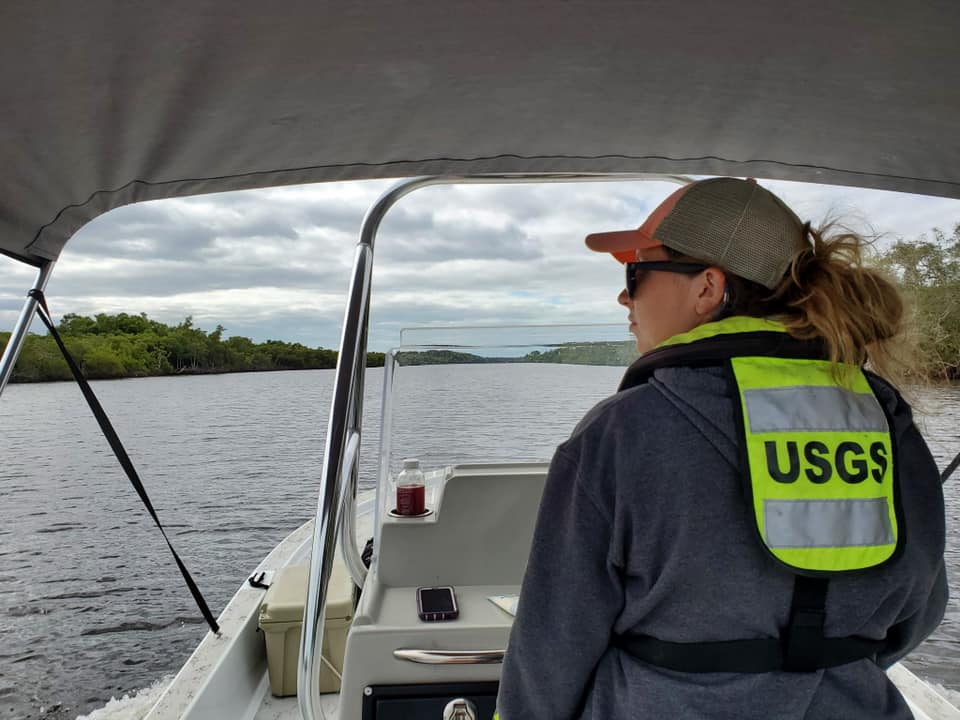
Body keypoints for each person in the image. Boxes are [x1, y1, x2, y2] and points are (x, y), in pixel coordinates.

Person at [495, 177, 947, 719]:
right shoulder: (886, 418)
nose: (624, 295)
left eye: (635, 274)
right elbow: (920, 609)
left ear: (707, 288)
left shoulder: (621, 432)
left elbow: (552, 647)